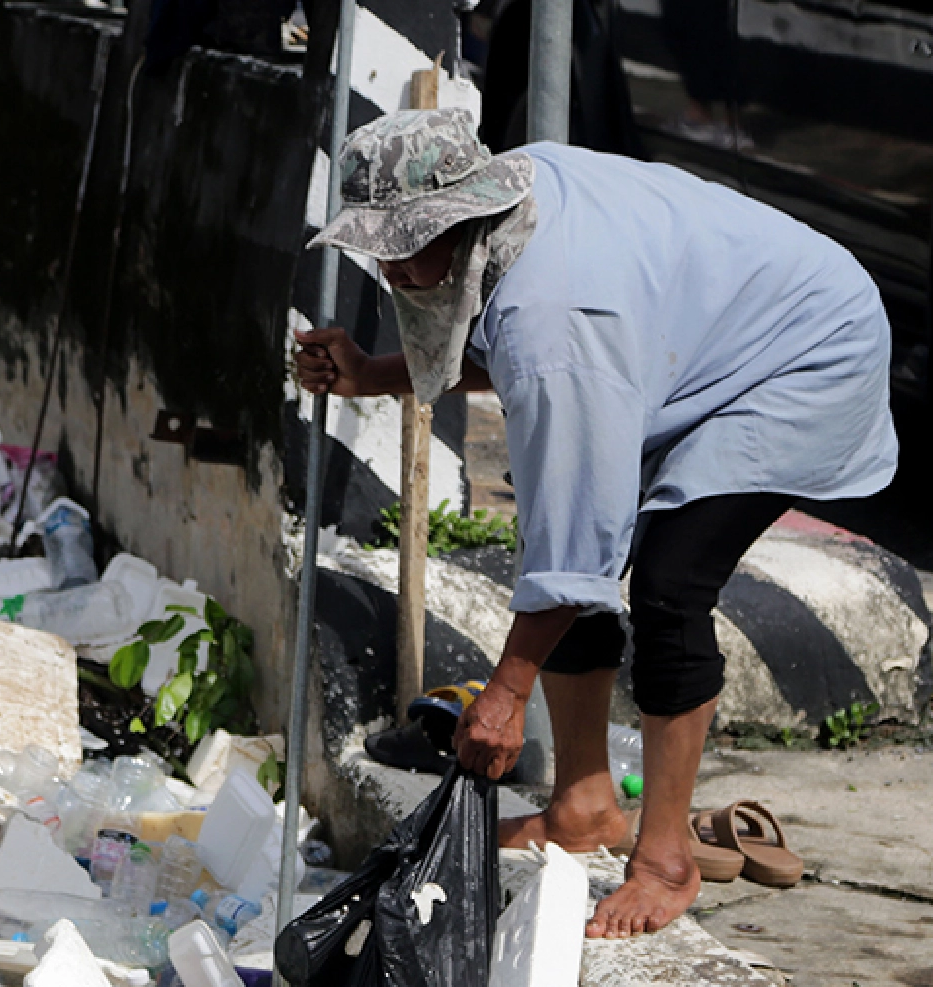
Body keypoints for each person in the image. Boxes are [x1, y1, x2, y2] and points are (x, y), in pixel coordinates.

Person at [296, 108, 896, 938]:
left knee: (668, 581)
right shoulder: (514, 206)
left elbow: (562, 428)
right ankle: (582, 808)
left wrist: (506, 694)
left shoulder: (558, 319)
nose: (389, 267)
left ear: (460, 218)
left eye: (402, 244)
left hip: (803, 351)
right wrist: (372, 375)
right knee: (558, 530)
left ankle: (665, 858)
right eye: (379, 246)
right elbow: (504, 347)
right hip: (690, 336)